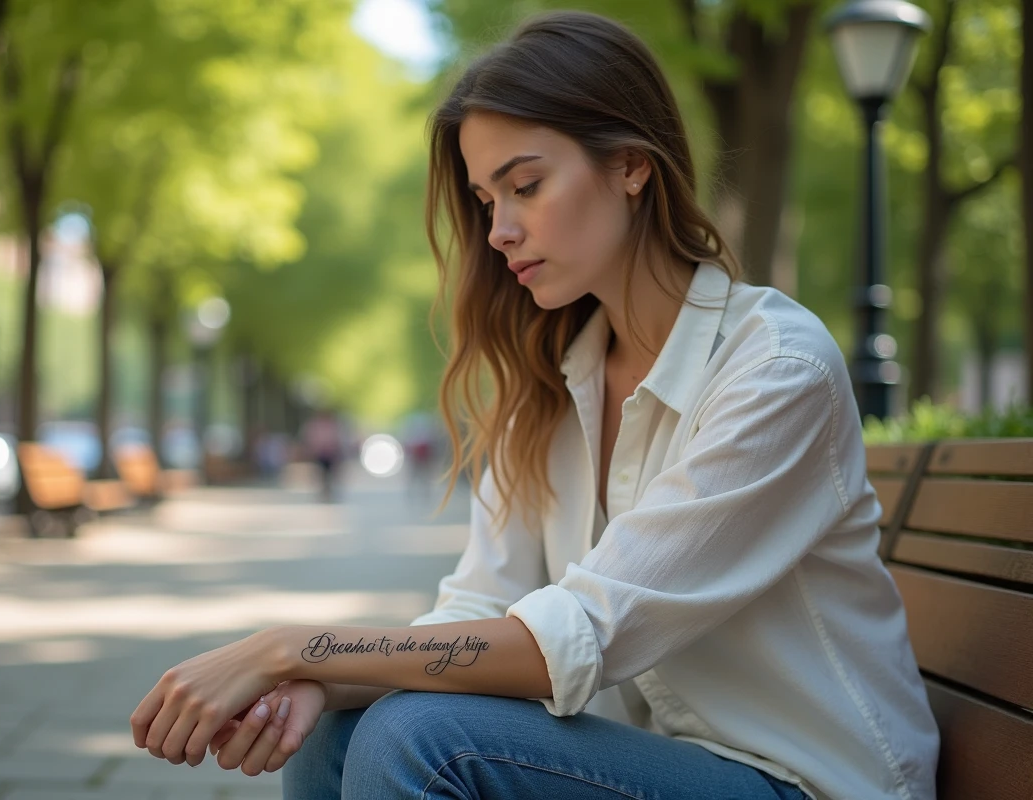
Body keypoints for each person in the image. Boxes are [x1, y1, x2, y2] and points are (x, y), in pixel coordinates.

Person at [129, 11, 939, 799]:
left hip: (805, 780)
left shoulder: (774, 370)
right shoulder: (552, 386)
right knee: (336, 736)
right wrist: (324, 683)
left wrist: (292, 649)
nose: (499, 232)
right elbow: (481, 605)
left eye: (526, 185)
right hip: (651, 762)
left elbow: (577, 638)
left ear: (630, 164)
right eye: (486, 201)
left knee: (417, 739)